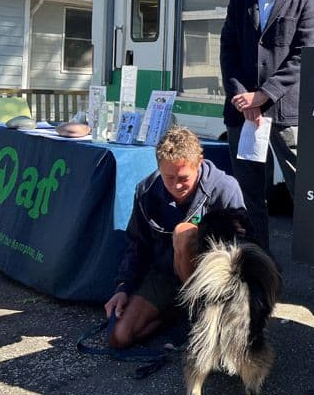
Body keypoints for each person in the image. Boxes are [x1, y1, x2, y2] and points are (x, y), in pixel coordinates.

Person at [220, 0, 314, 252]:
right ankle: (257, 266)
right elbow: (228, 51)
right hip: (243, 114)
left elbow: (304, 54)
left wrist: (263, 95)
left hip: (286, 112)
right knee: (250, 197)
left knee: (305, 192)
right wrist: (242, 97)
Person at [104, 126, 246, 348]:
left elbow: (242, 247)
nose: (176, 186)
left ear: (199, 163)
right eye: (168, 177)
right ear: (158, 167)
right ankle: (174, 313)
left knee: (183, 233)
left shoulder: (225, 189)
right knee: (119, 336)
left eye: (183, 178)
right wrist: (123, 287)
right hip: (164, 276)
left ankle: (202, 314)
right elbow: (137, 245)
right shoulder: (146, 191)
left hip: (210, 280)